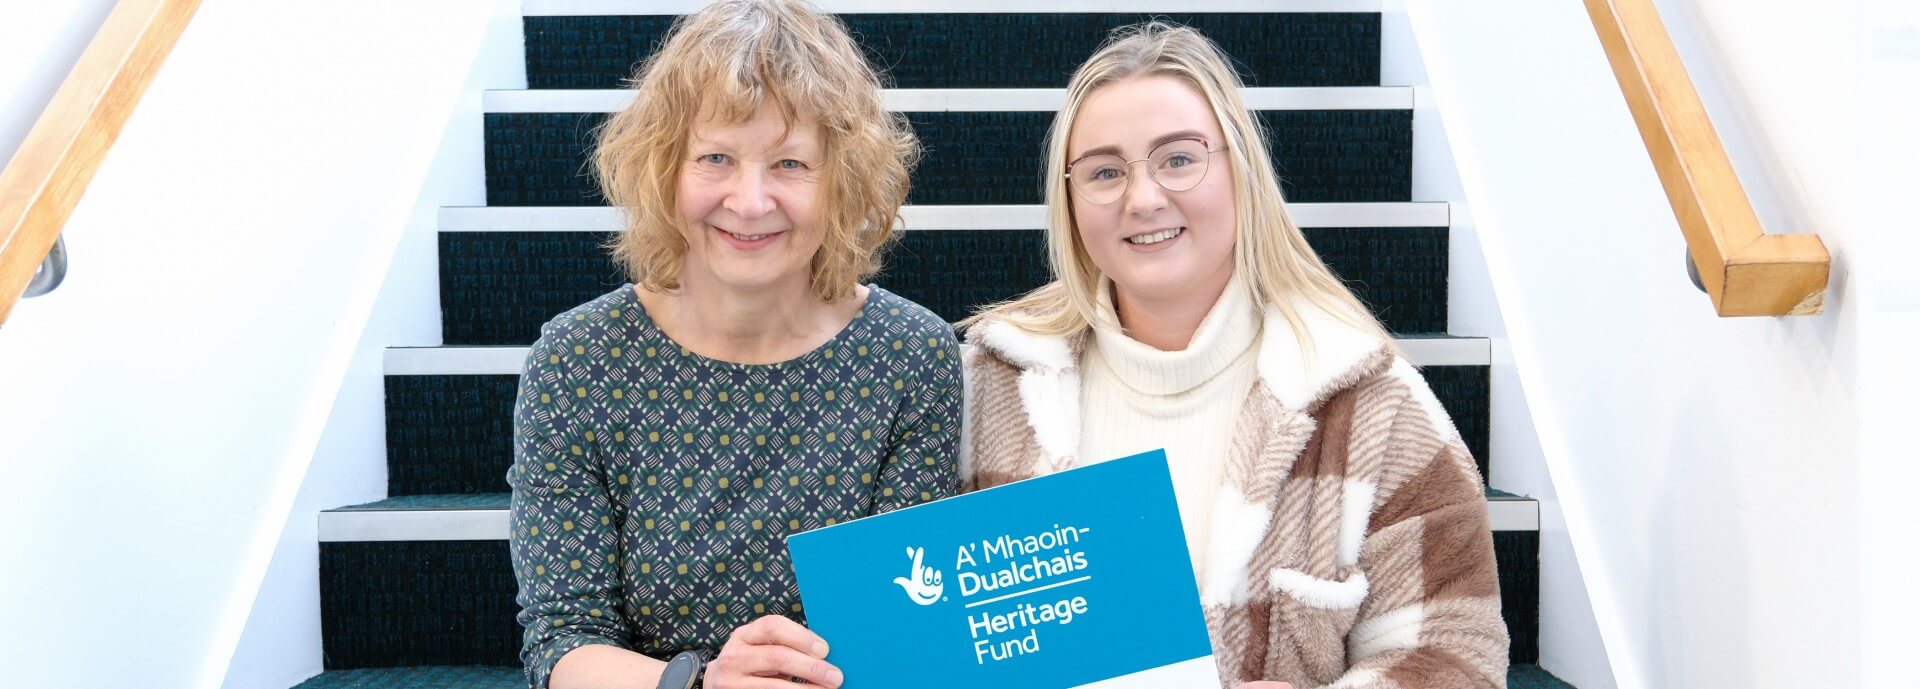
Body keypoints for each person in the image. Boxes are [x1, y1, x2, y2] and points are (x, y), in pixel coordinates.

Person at [959, 23, 1509, 689]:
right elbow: (910, 628)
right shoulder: (989, 384)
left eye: (1179, 158)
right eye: (1105, 171)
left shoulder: (1371, 404)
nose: (1143, 197)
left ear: (1240, 170)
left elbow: (1459, 652)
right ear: (1070, 201)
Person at [506, 2, 960, 688]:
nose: (750, 201)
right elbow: (563, 640)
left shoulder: (912, 356)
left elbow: (906, 622)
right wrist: (703, 682)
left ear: (841, 179)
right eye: (716, 157)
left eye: (789, 163)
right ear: (665, 170)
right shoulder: (577, 361)